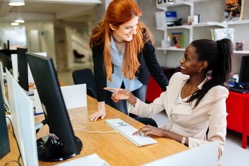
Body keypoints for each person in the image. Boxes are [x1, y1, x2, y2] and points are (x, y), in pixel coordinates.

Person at [105, 38, 233, 159]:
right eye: (183, 56)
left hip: (187, 151)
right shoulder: (177, 79)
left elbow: (217, 149)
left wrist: (167, 133)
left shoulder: (215, 94)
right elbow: (150, 110)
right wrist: (130, 97)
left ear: (202, 64)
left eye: (187, 58)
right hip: (162, 143)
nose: (181, 61)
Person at [89, 0, 168, 121]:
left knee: (139, 117)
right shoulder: (99, 39)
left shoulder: (141, 35)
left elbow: (154, 66)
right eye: (128, 27)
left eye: (135, 25)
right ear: (112, 26)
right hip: (114, 81)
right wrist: (101, 106)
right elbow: (99, 71)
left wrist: (170, 93)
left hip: (137, 79)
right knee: (121, 118)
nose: (134, 31)